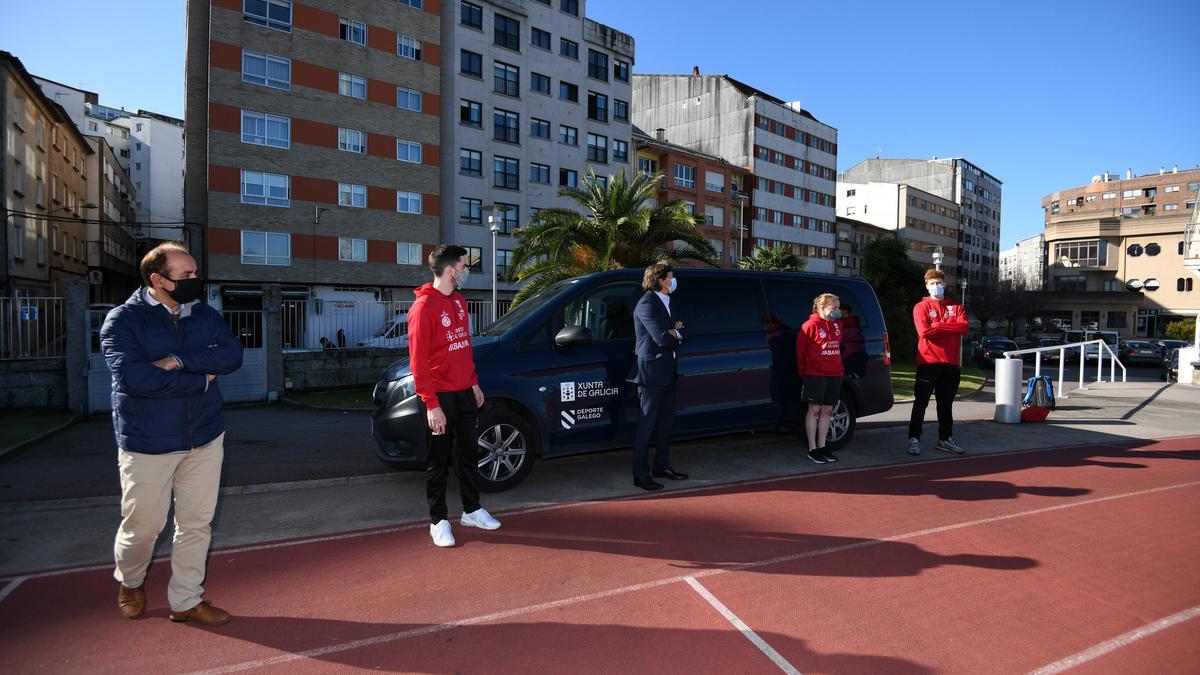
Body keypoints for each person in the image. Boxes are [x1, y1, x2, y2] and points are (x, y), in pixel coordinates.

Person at [100, 242, 244, 625]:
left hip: (205, 436)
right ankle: (130, 580)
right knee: (144, 526)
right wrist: (201, 380)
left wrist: (180, 361)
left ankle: (186, 600)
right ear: (158, 280)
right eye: (186, 275)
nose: (196, 280)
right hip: (149, 442)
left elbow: (231, 355)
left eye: (195, 272)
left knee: (196, 524)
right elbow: (136, 378)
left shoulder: (205, 315)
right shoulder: (123, 321)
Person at [408, 244, 501, 547]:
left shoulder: (460, 302)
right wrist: (432, 405)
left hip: (464, 393)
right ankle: (438, 521)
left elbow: (463, 348)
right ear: (449, 270)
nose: (466, 271)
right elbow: (418, 363)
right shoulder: (423, 308)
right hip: (440, 398)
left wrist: (473, 382)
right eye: (463, 266)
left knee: (468, 455)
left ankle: (472, 510)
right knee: (438, 462)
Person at [627, 262, 689, 491]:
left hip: (669, 371)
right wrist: (674, 333)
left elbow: (684, 328)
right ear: (661, 280)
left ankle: (661, 466)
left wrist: (675, 332)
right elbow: (662, 339)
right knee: (647, 425)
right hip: (651, 374)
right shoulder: (646, 304)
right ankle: (640, 474)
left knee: (666, 423)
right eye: (671, 276)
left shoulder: (670, 302)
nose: (674, 280)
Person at [908, 269, 969, 455]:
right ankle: (914, 438)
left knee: (946, 405)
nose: (936, 286)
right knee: (921, 403)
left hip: (950, 364)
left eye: (939, 283)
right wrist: (950, 328)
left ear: (945, 284)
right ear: (927, 286)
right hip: (928, 362)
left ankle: (945, 439)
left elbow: (964, 327)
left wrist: (938, 325)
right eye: (933, 283)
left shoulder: (956, 307)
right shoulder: (921, 307)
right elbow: (924, 332)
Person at [796, 293, 844, 464]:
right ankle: (812, 448)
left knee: (828, 411)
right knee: (814, 410)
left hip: (835, 373)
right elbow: (801, 352)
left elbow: (838, 348)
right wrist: (805, 371)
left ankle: (823, 446)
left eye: (839, 307)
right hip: (815, 374)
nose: (838, 310)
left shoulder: (838, 325)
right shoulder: (810, 325)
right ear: (822, 307)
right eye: (835, 307)